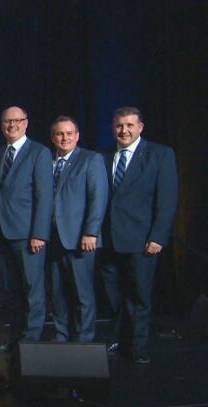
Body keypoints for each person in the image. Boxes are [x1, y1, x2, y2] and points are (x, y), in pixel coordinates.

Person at [101, 107, 178, 364]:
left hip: (142, 240)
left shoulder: (159, 155)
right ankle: (121, 339)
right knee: (113, 293)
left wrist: (158, 236)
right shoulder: (103, 155)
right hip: (108, 239)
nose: (124, 130)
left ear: (140, 127)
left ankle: (138, 345)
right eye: (119, 126)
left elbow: (167, 200)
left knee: (139, 295)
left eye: (130, 125)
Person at [0, 106, 53, 348]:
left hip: (29, 235)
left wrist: (39, 233)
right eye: (8, 121)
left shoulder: (39, 152)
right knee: (12, 292)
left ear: (26, 123)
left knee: (33, 290)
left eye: (17, 121)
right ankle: (16, 338)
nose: (12, 125)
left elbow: (44, 196)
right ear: (2, 125)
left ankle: (32, 341)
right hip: (3, 233)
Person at [48, 116, 108, 343]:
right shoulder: (48, 161)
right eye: (59, 134)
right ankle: (61, 335)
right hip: (52, 239)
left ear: (77, 136)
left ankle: (84, 339)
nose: (64, 138)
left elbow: (98, 198)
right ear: (53, 138)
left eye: (69, 133)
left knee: (83, 294)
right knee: (58, 293)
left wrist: (91, 232)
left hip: (80, 238)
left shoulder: (91, 160)